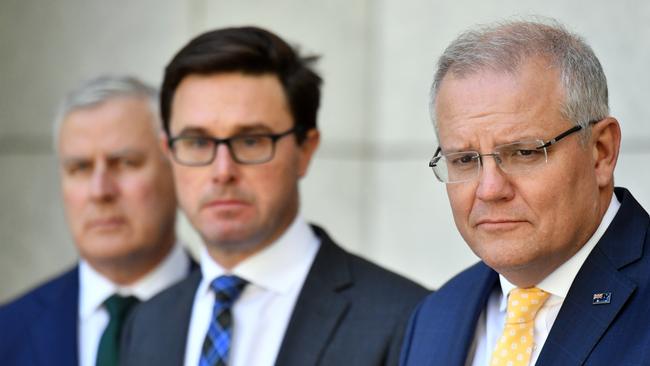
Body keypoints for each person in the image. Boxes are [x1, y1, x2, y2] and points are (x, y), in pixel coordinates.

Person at [120, 26, 428, 366]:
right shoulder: (147, 324)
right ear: (169, 151)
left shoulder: (406, 319)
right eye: (197, 143)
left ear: (305, 150)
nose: (223, 170)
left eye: (251, 141)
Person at [399, 19, 650, 366]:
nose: (489, 189)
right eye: (466, 159)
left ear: (601, 152)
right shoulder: (435, 316)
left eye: (524, 152)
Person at [0, 75, 193, 366]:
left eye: (126, 163)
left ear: (176, 170)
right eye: (80, 168)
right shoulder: (9, 332)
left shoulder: (233, 314)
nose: (100, 191)